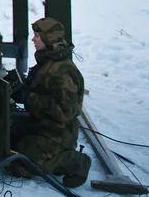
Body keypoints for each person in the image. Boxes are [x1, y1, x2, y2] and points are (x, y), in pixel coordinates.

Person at [8, 17, 91, 188]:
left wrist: (30, 98)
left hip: (57, 134)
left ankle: (74, 161)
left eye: (37, 36)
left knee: (20, 166)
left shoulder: (63, 72)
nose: (33, 39)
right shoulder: (47, 62)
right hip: (38, 125)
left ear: (49, 39)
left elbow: (66, 113)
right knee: (4, 141)